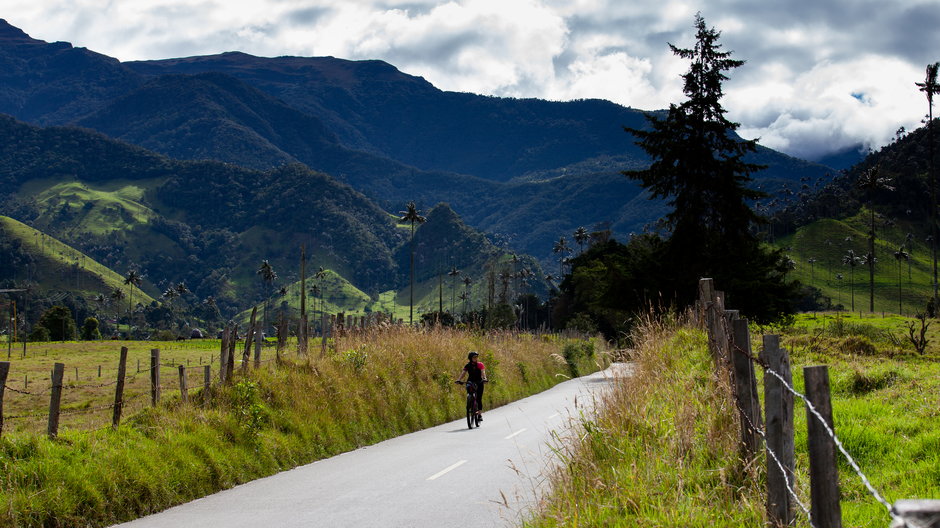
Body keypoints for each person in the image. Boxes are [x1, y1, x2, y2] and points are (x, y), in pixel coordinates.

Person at [455, 351, 487, 421]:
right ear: (470, 358)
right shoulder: (467, 365)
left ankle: (479, 414)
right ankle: (470, 403)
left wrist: (484, 378)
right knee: (469, 392)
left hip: (479, 382)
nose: (476, 358)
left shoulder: (480, 364)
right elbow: (463, 373)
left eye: (476, 357)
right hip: (470, 381)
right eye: (474, 357)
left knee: (479, 398)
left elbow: (483, 372)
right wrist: (458, 379)